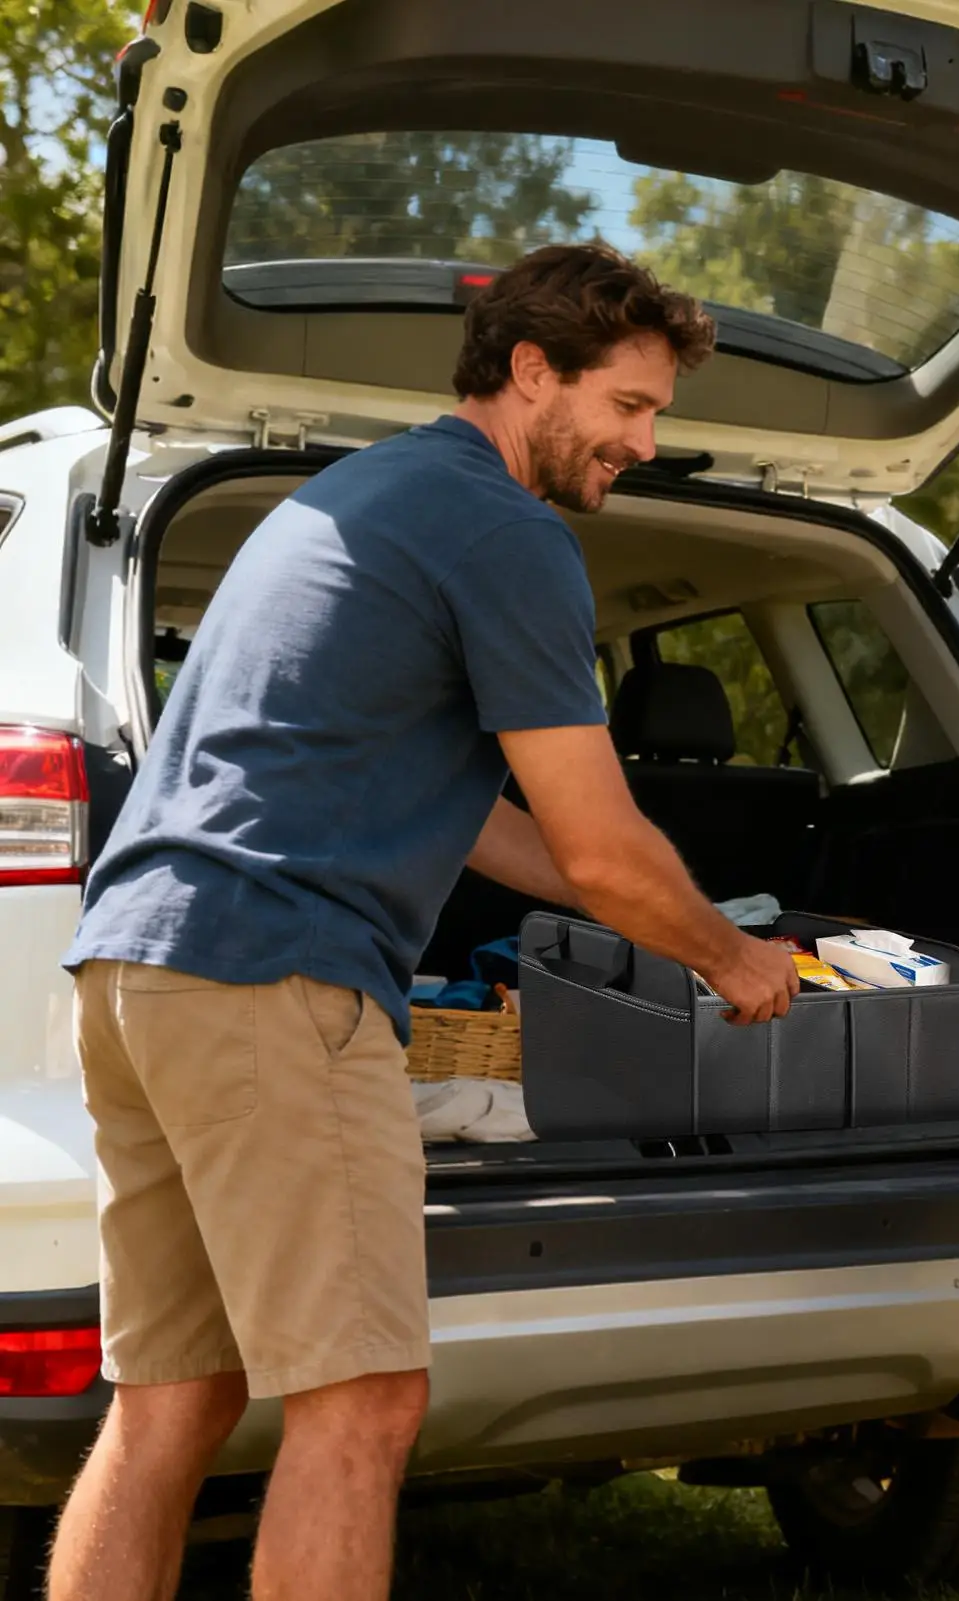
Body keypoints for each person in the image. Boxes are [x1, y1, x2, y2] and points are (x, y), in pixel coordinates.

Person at [50, 243, 799, 1601]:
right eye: (628, 405)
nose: (643, 440)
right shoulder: (506, 530)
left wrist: (620, 892)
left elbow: (473, 814)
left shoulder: (357, 496)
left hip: (139, 966)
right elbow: (604, 837)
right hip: (275, 978)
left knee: (172, 1399)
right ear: (529, 371)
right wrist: (732, 954)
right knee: (363, 1403)